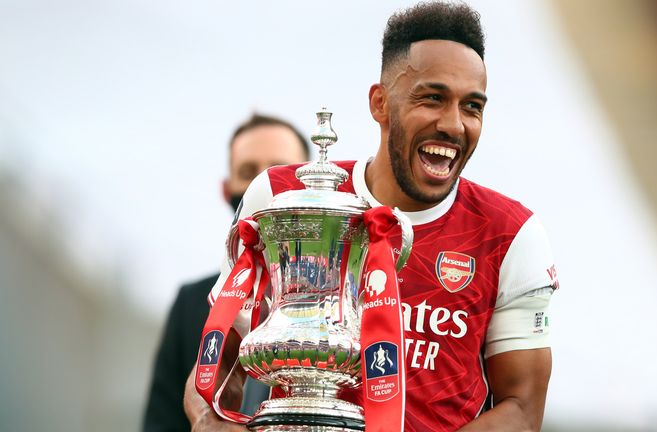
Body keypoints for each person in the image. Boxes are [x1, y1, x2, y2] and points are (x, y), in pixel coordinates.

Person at [184, 2, 559, 431]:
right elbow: (216, 361)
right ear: (380, 103)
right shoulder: (282, 198)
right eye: (432, 98)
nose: (454, 125)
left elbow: (522, 408)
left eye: (472, 106)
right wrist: (211, 424)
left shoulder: (510, 234)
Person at [142, 113, 309, 432]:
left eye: (277, 170)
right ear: (226, 189)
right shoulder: (192, 303)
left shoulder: (351, 297)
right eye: (248, 173)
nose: (262, 185)